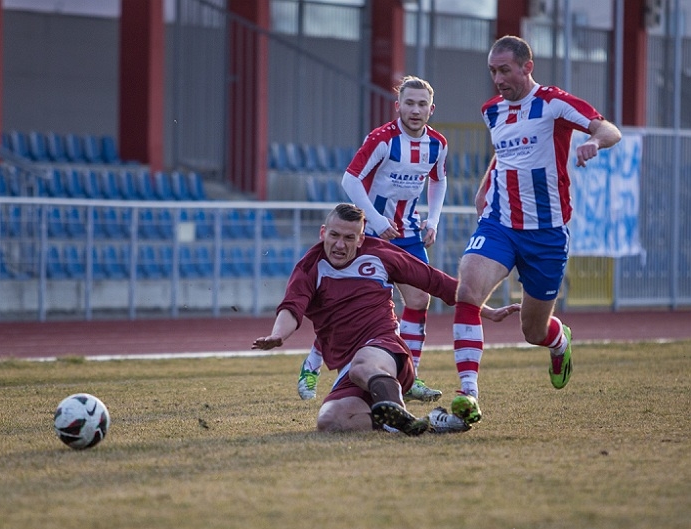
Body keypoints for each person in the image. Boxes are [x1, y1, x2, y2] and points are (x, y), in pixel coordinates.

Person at [452, 36, 622, 408]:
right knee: (468, 291)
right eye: (493, 71)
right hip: (499, 224)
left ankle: (559, 341)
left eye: (505, 70)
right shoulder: (491, 111)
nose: (498, 79)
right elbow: (504, 153)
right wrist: (484, 188)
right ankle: (468, 392)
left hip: (546, 233)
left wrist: (594, 143)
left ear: (527, 67)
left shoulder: (553, 103)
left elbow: (609, 129)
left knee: (532, 331)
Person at [255, 203, 519, 436]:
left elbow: (436, 281)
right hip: (349, 369)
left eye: (349, 238)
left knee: (362, 365)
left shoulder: (380, 254)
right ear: (323, 232)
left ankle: (397, 410)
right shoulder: (310, 267)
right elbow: (292, 307)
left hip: (386, 351)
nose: (340, 245)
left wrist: (484, 310)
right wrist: (278, 335)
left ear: (361, 239)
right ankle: (426, 423)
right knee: (330, 420)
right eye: (334, 235)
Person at [297, 75, 450, 405]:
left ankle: (409, 376)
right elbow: (350, 179)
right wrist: (377, 221)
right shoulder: (382, 139)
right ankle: (311, 365)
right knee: (351, 308)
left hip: (408, 234)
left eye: (422, 104)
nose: (415, 110)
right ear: (398, 106)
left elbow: (439, 180)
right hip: (370, 234)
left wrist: (434, 219)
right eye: (409, 103)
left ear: (431, 109)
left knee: (419, 300)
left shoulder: (437, 144)